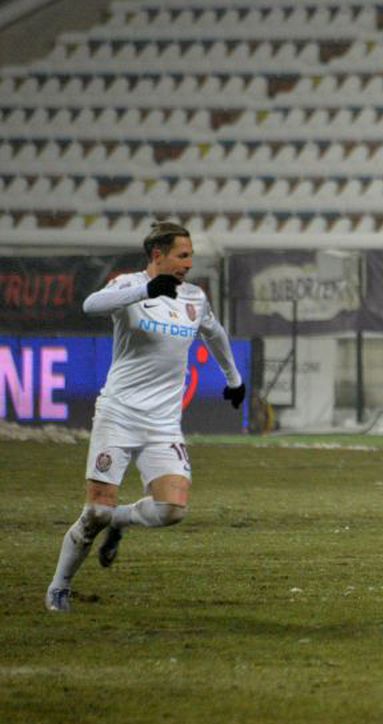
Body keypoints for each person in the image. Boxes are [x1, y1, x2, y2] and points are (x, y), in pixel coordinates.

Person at [45, 221, 244, 613]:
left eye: (191, 256)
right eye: (182, 256)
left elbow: (215, 334)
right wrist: (145, 290)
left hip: (163, 423)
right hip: (118, 414)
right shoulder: (128, 285)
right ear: (158, 255)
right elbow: (89, 305)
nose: (189, 263)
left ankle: (118, 521)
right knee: (94, 511)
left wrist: (234, 379)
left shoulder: (194, 298)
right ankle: (59, 587)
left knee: (172, 510)